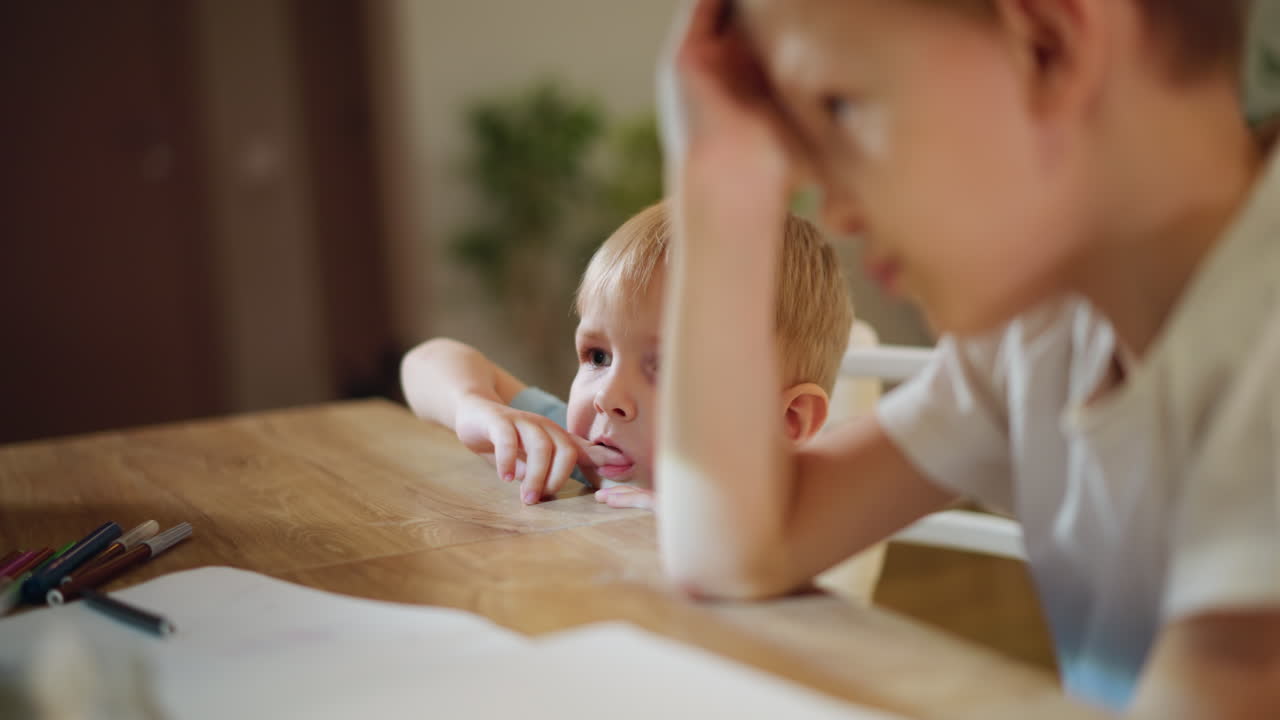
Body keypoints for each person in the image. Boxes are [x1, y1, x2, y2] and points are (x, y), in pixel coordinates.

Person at [655, 0, 1280, 715]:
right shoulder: (1048, 331)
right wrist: (718, 175)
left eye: (839, 107)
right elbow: (734, 552)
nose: (832, 210)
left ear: (1048, 41)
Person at [401, 200, 853, 510]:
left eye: (667, 366)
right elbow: (425, 360)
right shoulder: (582, 455)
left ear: (788, 420)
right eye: (598, 356)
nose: (607, 397)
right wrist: (472, 406)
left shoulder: (782, 517)